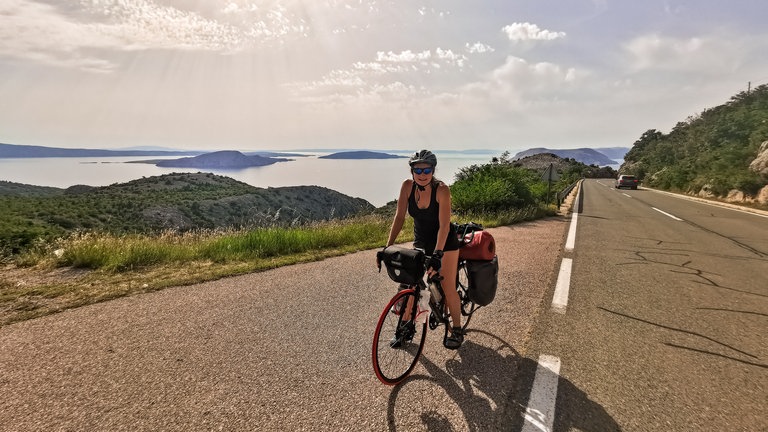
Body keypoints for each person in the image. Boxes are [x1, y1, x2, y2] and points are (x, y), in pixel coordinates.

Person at [381, 149, 464, 349]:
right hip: (421, 240)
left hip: (446, 242)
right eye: (417, 170)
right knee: (411, 284)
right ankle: (405, 329)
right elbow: (399, 217)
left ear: (433, 170)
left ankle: (457, 329)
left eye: (427, 170)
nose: (422, 174)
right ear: (412, 172)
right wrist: (387, 246)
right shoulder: (407, 187)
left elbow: (444, 226)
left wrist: (437, 254)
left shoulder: (442, 190)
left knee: (447, 286)